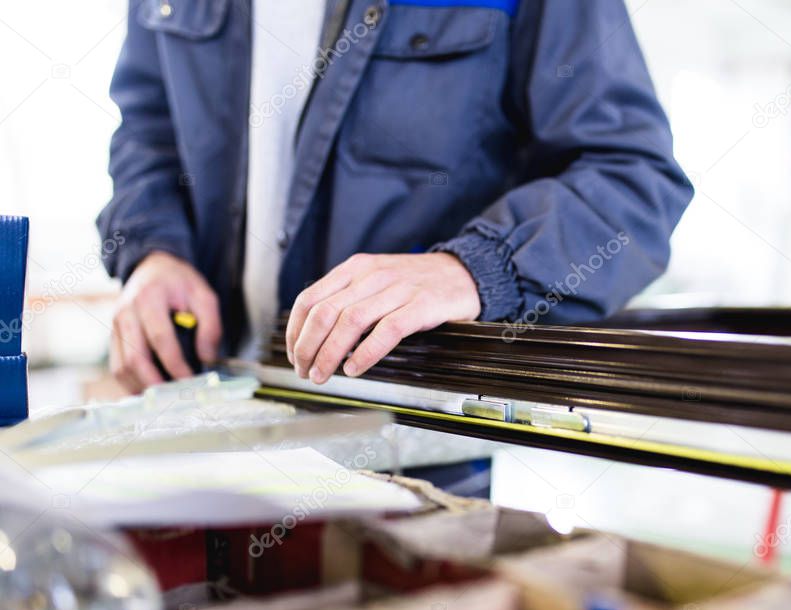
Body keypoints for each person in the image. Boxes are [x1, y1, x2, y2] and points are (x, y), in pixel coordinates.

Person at [98, 0, 693, 393]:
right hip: (199, 405)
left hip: (409, 447)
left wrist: (481, 267)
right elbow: (148, 129)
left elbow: (634, 181)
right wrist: (153, 254)